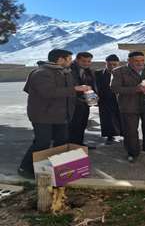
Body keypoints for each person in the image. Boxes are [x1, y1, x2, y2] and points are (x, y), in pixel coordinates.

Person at [18, 49, 91, 178]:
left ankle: (57, 170)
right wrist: (75, 88)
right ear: (60, 59)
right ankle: (25, 168)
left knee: (61, 142)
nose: (71, 61)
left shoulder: (66, 72)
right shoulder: (41, 73)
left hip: (62, 115)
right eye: (69, 59)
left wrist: (85, 96)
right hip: (43, 115)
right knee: (42, 142)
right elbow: (48, 92)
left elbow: (69, 93)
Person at [110, 51, 145, 163]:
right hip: (129, 105)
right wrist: (136, 89)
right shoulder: (118, 71)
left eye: (142, 60)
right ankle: (132, 152)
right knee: (130, 131)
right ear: (129, 61)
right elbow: (114, 88)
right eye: (136, 61)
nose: (140, 63)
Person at [68, 52, 97, 149]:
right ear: (77, 60)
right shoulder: (68, 70)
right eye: (83, 61)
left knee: (82, 124)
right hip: (71, 103)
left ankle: (79, 144)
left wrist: (94, 95)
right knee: (72, 126)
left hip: (85, 103)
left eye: (89, 61)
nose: (86, 63)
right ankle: (70, 147)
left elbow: (92, 85)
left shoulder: (89, 71)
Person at [95, 54, 123, 145]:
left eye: (114, 64)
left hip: (121, 99)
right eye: (109, 64)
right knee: (106, 118)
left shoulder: (123, 73)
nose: (112, 66)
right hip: (104, 99)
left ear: (118, 64)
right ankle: (109, 136)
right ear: (105, 64)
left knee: (122, 117)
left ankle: (125, 134)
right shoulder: (98, 74)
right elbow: (94, 87)